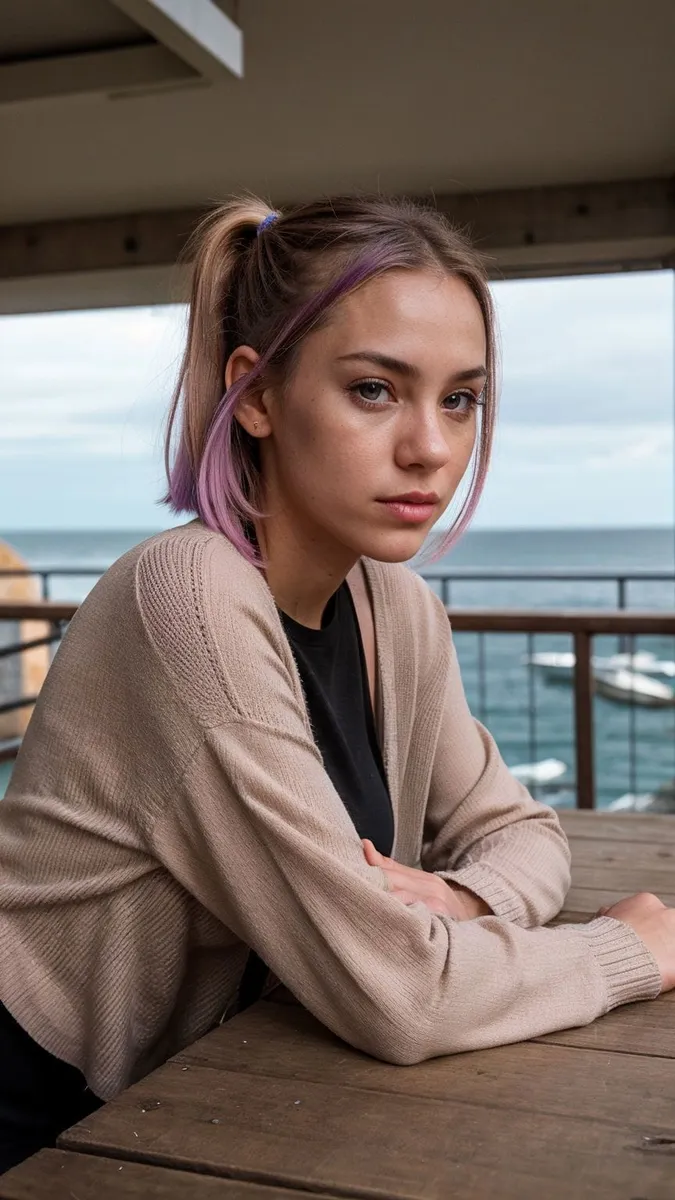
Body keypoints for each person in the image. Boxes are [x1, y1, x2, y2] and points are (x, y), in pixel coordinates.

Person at [1, 193, 674, 1176]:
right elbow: (399, 997)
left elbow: (524, 834)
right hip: (41, 1114)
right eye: (374, 389)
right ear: (259, 395)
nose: (432, 449)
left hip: (200, 1085)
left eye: (459, 398)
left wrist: (456, 899)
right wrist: (624, 954)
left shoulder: (393, 609)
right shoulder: (186, 600)